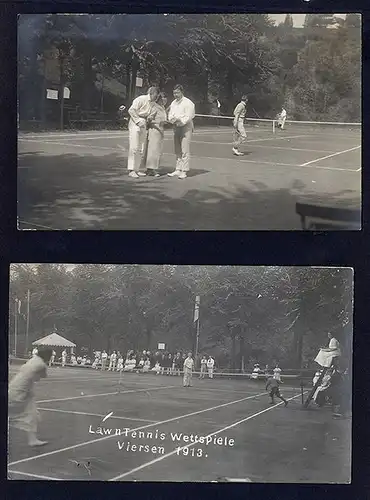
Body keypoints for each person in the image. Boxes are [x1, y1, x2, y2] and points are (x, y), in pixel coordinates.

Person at [8, 348, 53, 446]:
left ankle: (32, 439)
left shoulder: (33, 360)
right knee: (29, 413)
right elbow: (42, 376)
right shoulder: (41, 364)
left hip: (14, 387)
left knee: (30, 413)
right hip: (20, 391)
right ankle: (32, 440)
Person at [127, 86, 159, 178]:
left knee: (141, 147)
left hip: (144, 123)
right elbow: (131, 110)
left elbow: (150, 114)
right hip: (135, 122)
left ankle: (137, 169)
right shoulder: (141, 99)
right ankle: (131, 170)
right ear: (151, 93)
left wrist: (149, 119)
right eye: (156, 95)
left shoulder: (153, 103)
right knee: (134, 146)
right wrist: (137, 121)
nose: (156, 97)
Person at [167, 85, 195, 179]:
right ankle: (178, 169)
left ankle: (184, 171)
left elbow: (189, 116)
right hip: (176, 127)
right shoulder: (173, 103)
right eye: (174, 93)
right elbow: (170, 114)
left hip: (185, 128)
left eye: (177, 92)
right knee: (177, 149)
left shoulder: (188, 103)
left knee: (185, 150)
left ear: (182, 92)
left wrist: (181, 121)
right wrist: (172, 120)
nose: (175, 95)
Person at [141, 93, 168, 177]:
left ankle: (153, 169)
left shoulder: (162, 108)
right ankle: (150, 169)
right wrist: (158, 122)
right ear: (159, 98)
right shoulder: (155, 107)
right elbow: (149, 119)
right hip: (154, 131)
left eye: (165, 98)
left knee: (157, 151)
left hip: (160, 131)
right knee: (152, 150)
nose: (165, 100)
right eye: (163, 98)